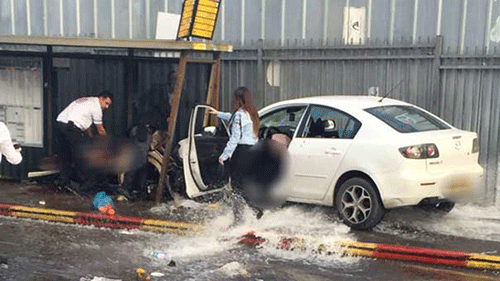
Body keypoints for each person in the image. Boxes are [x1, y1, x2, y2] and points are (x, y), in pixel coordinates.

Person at [209, 87, 262, 223]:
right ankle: (253, 210)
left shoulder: (239, 114)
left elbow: (235, 138)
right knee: (245, 184)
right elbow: (232, 117)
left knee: (237, 187)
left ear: (238, 100)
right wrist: (218, 113)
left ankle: (243, 215)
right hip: (252, 151)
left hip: (241, 152)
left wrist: (224, 155)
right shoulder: (252, 113)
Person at [55, 91, 113, 192]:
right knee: (81, 156)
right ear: (101, 98)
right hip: (72, 128)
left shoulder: (87, 101)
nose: (107, 107)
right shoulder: (96, 108)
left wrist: (90, 139)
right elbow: (100, 129)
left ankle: (64, 182)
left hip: (60, 125)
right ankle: (86, 185)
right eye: (106, 103)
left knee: (66, 156)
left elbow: (87, 127)